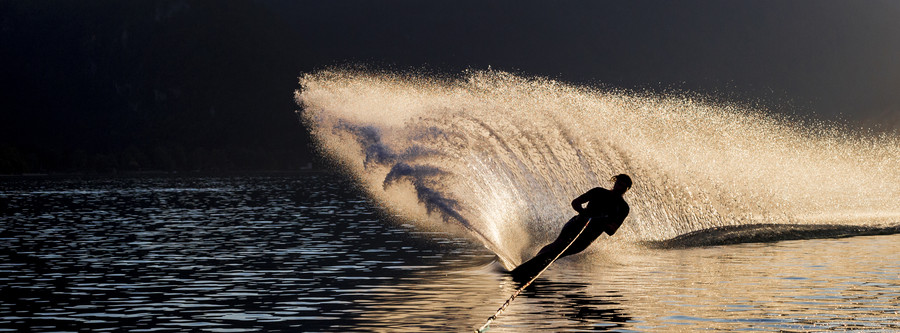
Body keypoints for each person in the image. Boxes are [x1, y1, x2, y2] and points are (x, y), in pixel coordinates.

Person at [511, 174, 632, 278]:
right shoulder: (598, 192)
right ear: (615, 182)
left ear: (627, 190)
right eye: (618, 184)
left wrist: (601, 221)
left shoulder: (623, 208)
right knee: (557, 245)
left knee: (560, 253)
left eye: (623, 186)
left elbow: (612, 231)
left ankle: (535, 268)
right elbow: (576, 202)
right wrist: (583, 212)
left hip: (588, 237)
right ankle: (534, 262)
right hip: (575, 224)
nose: (619, 187)